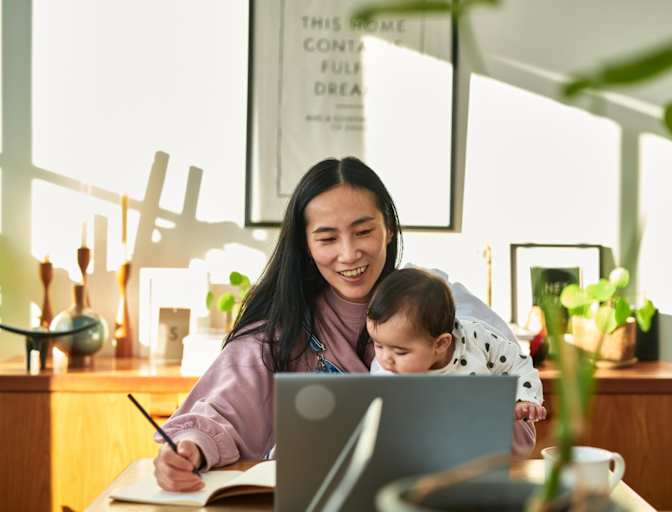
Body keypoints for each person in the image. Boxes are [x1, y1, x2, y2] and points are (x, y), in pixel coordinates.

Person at [152, 157, 537, 492]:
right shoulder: (280, 329)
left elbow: (518, 423)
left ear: (388, 228)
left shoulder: (447, 304)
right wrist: (188, 449)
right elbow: (218, 412)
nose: (349, 253)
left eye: (364, 231)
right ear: (305, 245)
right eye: (327, 237)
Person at [368, 268, 547, 422]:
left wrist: (525, 400)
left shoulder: (476, 338)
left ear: (441, 344)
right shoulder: (386, 373)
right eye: (378, 345)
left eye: (400, 352)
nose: (385, 360)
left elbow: (517, 362)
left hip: (479, 439)